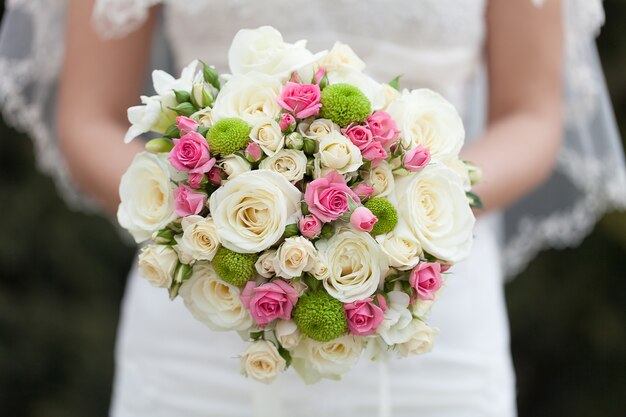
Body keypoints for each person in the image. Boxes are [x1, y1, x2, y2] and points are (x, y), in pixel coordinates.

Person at [0, 0, 624, 416]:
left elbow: (533, 117)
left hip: (433, 317)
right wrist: (206, 218)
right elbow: (88, 119)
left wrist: (403, 218)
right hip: (202, 319)